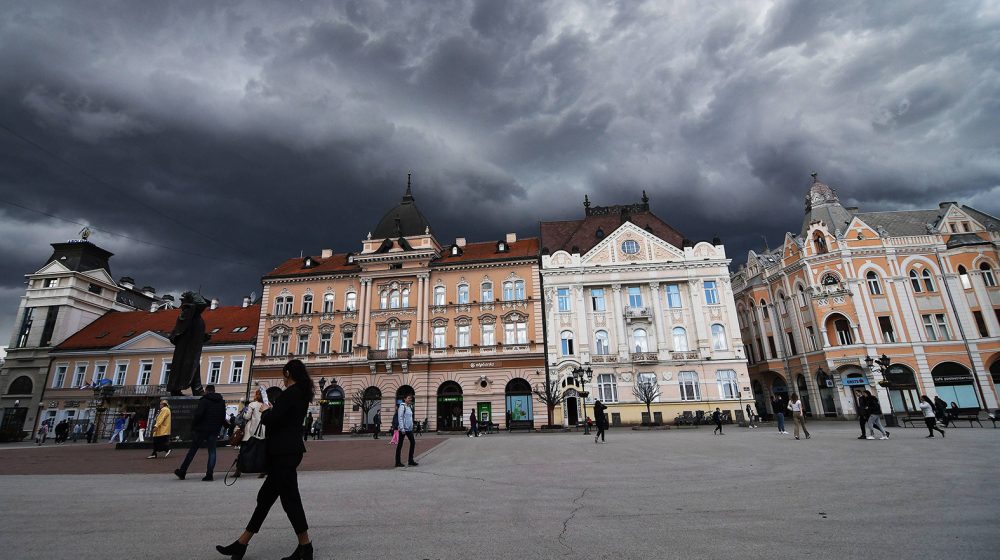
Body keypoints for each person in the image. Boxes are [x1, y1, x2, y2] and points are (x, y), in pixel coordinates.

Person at [216, 359, 315, 560]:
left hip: (283, 453)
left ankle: (306, 547)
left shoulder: (290, 394)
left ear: (288, 373)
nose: (283, 379)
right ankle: (242, 543)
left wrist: (266, 410)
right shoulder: (302, 394)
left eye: (283, 375)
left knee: (289, 500)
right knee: (266, 498)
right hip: (288, 451)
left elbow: (272, 420)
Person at [174, 384, 226, 481]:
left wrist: (193, 426)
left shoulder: (204, 400)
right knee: (212, 452)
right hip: (214, 430)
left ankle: (183, 471)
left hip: (202, 429)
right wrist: (226, 426)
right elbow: (223, 417)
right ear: (214, 391)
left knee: (193, 450)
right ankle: (209, 474)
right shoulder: (221, 402)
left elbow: (198, 415)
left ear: (206, 391)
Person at [395, 395, 418, 467]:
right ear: (404, 399)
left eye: (410, 398)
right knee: (400, 445)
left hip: (409, 429)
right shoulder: (402, 407)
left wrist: (411, 426)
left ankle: (410, 460)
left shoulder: (409, 407)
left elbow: (410, 418)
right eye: (408, 398)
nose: (410, 399)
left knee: (413, 443)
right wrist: (402, 428)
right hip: (403, 429)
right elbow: (400, 418)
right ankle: (397, 462)